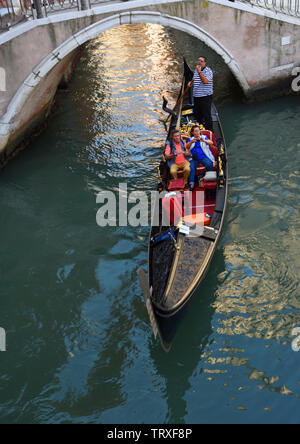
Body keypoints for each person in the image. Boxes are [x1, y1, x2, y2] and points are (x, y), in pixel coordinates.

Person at [186, 125, 216, 190]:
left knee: (209, 164)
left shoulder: (203, 137)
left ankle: (209, 179)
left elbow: (211, 142)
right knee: (191, 167)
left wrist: (204, 141)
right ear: (193, 133)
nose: (197, 132)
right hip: (194, 158)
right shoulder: (190, 139)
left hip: (203, 157)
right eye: (195, 131)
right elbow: (187, 147)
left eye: (198, 131)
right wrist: (191, 142)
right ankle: (191, 183)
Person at [188, 56, 214, 132]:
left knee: (207, 115)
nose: (199, 62)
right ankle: (200, 129)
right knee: (197, 114)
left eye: (201, 61)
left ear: (205, 63)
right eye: (198, 60)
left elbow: (206, 81)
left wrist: (199, 72)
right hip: (196, 97)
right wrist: (191, 83)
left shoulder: (208, 71)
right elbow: (194, 79)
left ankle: (210, 132)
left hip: (205, 97)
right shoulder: (196, 70)